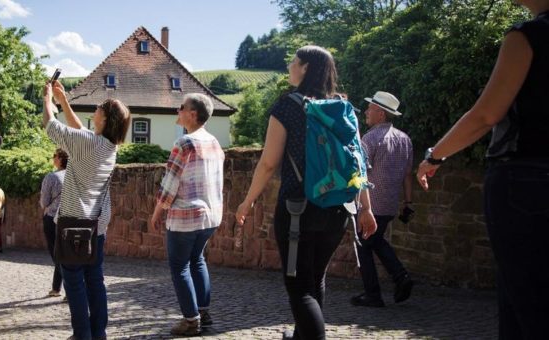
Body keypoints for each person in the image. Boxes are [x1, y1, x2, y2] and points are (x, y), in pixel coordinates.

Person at [416, 2, 549, 338]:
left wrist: (435, 156)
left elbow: (485, 115)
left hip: (525, 179)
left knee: (526, 304)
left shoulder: (527, 36)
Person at [234, 45, 377, 340]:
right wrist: (366, 207)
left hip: (298, 207)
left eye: (293, 62)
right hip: (339, 208)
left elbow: (268, 163)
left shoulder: (287, 106)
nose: (289, 67)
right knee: (314, 278)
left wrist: (247, 201)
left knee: (299, 288)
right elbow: (358, 163)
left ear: (306, 68)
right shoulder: (342, 107)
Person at [43, 79, 131, 340]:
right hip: (96, 224)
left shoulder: (89, 144)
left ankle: (82, 335)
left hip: (73, 222)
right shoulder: (108, 146)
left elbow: (51, 125)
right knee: (95, 280)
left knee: (74, 281)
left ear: (105, 117)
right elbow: (80, 130)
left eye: (97, 110)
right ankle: (98, 334)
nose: (94, 113)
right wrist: (64, 101)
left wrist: (47, 99)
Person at [149, 94, 225, 336]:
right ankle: (204, 313)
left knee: (180, 266)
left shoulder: (184, 143)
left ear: (192, 114)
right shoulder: (215, 142)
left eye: (181, 108)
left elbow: (169, 184)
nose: (177, 112)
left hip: (185, 216)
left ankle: (191, 321)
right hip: (211, 216)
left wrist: (156, 212)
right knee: (197, 260)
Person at [350, 91, 414, 308]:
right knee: (375, 241)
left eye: (371, 108)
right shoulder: (405, 140)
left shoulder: (369, 139)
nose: (366, 111)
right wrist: (408, 203)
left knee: (364, 245)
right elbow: (407, 175)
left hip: (370, 204)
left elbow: (359, 173)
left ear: (381, 113)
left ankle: (374, 293)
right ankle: (400, 278)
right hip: (389, 204)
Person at [40, 148, 69, 300]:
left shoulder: (52, 177)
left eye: (54, 156)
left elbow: (44, 202)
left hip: (52, 217)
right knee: (66, 253)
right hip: (71, 217)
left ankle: (70, 290)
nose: (53, 158)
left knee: (57, 255)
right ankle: (56, 287)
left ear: (59, 159)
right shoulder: (74, 176)